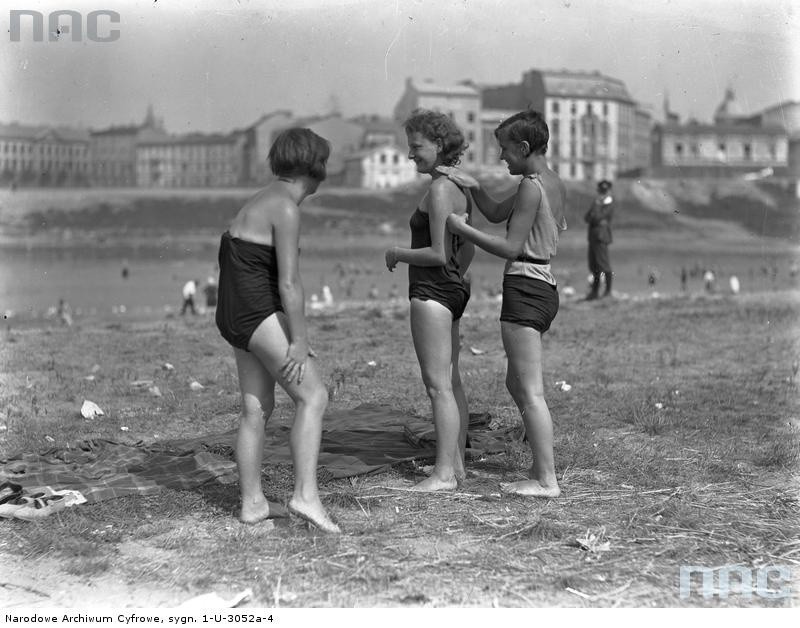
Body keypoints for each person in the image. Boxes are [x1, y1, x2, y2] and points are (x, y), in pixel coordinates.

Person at [215, 128, 339, 533]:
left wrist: (288, 333)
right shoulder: (286, 207)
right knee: (314, 397)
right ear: (316, 167)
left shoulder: (262, 199)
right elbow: (288, 284)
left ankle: (252, 504)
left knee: (256, 408)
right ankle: (305, 496)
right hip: (254, 312)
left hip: (239, 312)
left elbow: (257, 278)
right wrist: (299, 341)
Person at [439, 109, 566, 498]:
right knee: (517, 382)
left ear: (524, 147)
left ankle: (546, 479)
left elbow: (511, 246)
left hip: (526, 287)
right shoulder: (549, 181)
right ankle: (539, 466)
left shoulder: (530, 186)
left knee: (529, 390)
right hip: (544, 287)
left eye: (505, 150)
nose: (501, 157)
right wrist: (474, 187)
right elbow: (496, 212)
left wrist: (462, 228)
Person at [384, 109, 474, 492]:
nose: (410, 155)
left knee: (437, 386)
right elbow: (465, 247)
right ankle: (456, 466)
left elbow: (437, 253)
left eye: (416, 147)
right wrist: (456, 276)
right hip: (452, 290)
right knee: (451, 382)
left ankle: (443, 475)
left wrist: (398, 253)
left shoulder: (439, 190)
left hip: (431, 293)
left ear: (438, 145)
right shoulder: (459, 186)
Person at [584, 179, 614, 300]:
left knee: (604, 265)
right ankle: (594, 292)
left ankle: (607, 292)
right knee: (594, 265)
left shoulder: (607, 202)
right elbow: (587, 217)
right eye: (601, 190)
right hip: (593, 237)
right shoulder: (597, 202)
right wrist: (594, 214)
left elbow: (596, 217)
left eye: (604, 191)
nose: (602, 193)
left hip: (601, 237)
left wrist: (595, 208)